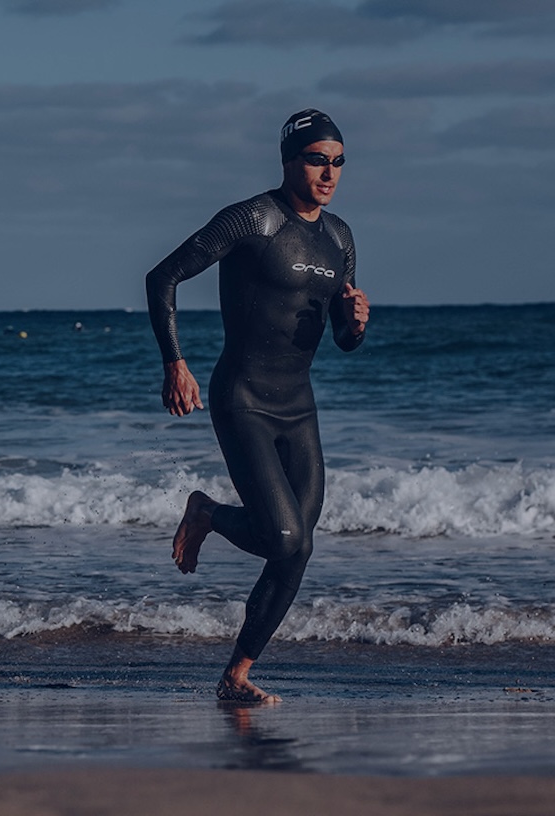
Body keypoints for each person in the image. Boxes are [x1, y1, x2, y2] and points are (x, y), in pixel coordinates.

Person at [146, 110, 371, 703]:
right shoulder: (254, 219)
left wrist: (354, 326)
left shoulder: (341, 237)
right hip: (242, 397)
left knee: (298, 545)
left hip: (299, 407)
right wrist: (176, 362)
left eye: (339, 161)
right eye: (318, 159)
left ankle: (237, 673)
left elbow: (345, 340)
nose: (329, 172)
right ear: (290, 160)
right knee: (285, 538)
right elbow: (163, 276)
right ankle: (208, 514)